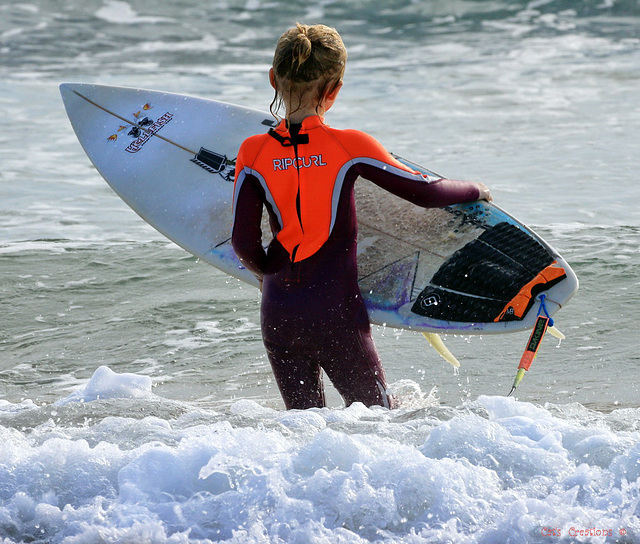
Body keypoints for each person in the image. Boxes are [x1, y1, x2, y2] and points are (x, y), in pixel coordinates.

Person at [232, 23, 491, 410]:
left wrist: (266, 273)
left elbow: (243, 242)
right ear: (334, 90)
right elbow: (427, 193)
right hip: (334, 315)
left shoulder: (252, 151)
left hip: (279, 313)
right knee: (381, 424)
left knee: (302, 431)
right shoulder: (349, 145)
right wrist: (476, 189)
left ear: (273, 78)